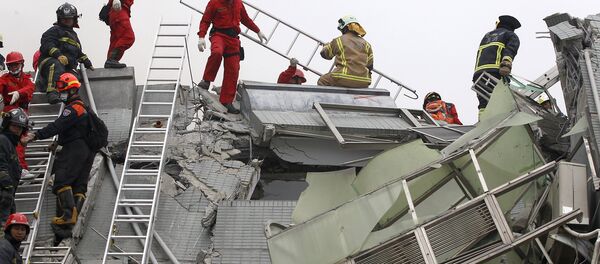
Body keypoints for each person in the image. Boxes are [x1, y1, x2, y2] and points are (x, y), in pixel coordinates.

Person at [22, 73, 94, 230]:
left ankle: (68, 215)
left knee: (61, 179)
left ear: (72, 90)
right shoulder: (84, 108)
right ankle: (73, 218)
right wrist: (58, 143)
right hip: (88, 151)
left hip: (75, 148)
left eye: (62, 88)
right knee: (79, 185)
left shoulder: (73, 108)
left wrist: (35, 135)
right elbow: (74, 130)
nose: (60, 92)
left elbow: (58, 125)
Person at [196, 0, 268, 114]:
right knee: (217, 53)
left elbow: (246, 19)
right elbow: (205, 20)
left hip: (233, 40)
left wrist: (258, 31)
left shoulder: (238, 3)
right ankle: (206, 80)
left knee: (233, 69)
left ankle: (227, 101)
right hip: (218, 35)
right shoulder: (214, 3)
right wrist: (201, 36)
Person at [37, 3, 93, 105]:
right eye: (64, 19)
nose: (67, 21)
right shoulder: (54, 30)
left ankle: (70, 99)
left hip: (67, 66)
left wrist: (86, 61)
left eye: (69, 18)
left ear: (74, 19)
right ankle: (52, 93)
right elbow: (46, 45)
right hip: (49, 62)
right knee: (57, 65)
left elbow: (78, 52)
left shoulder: (74, 36)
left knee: (73, 76)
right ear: (59, 19)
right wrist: (58, 55)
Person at [472, 15, 521, 114]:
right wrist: (506, 64)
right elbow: (510, 50)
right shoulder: (510, 35)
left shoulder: (487, 36)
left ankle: (483, 123)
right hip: (495, 73)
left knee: (484, 103)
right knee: (503, 101)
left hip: (479, 74)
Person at [0, 52, 35, 176]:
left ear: (21, 64)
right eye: (11, 66)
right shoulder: (4, 78)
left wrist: (19, 93)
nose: (14, 68)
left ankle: (20, 168)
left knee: (21, 141)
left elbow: (30, 88)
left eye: (16, 65)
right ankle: (21, 168)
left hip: (23, 112)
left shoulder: (27, 77)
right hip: (10, 111)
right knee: (15, 140)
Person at [318, 16, 373, 88]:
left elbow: (325, 54)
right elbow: (370, 65)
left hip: (343, 77)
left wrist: (326, 46)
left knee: (322, 81)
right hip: (363, 81)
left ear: (345, 28)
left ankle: (330, 99)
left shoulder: (339, 40)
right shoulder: (367, 44)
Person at [0, 108, 29, 225]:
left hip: (7, 195)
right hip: (3, 193)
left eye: (20, 127)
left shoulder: (10, 143)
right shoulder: (2, 140)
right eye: (15, 126)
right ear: (7, 125)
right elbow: (1, 166)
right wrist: (7, 187)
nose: (17, 130)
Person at [105, 0, 135, 68]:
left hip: (115, 11)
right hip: (119, 10)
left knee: (116, 41)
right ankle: (112, 59)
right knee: (128, 37)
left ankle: (110, 62)